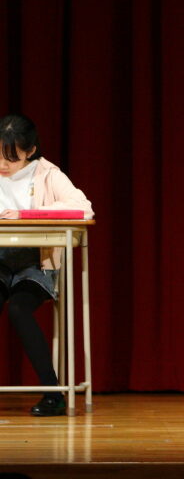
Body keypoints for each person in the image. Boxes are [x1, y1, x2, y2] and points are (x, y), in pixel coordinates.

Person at [0, 114, 94, 416]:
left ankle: (53, 394)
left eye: (11, 158)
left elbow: (83, 208)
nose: (3, 164)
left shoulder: (47, 173)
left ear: (30, 151)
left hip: (36, 264)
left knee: (18, 309)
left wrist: (25, 215)